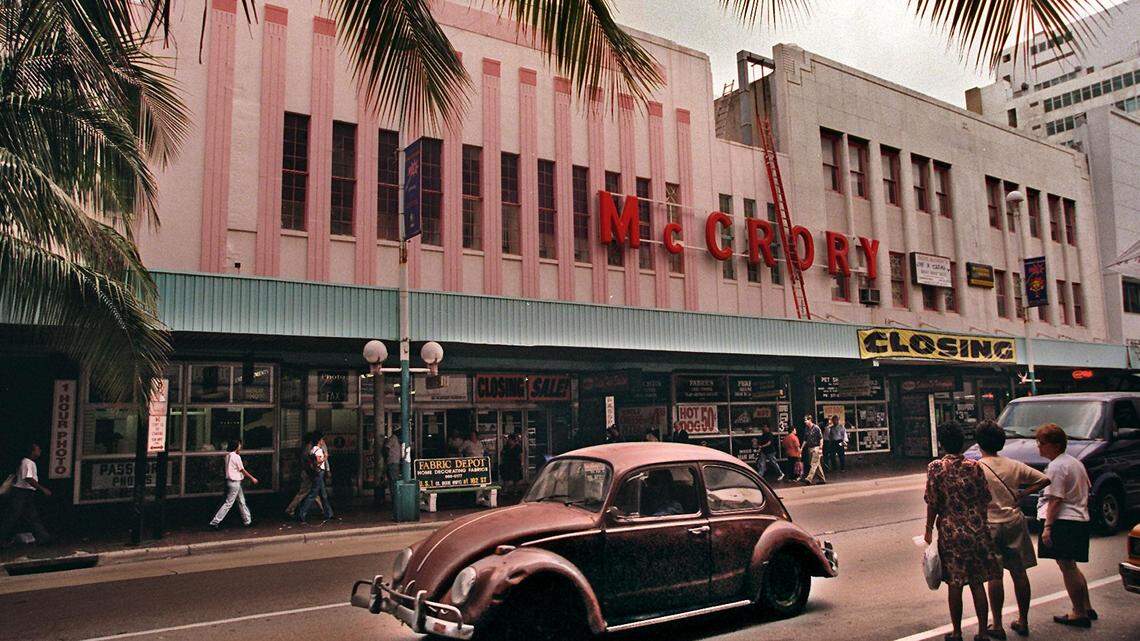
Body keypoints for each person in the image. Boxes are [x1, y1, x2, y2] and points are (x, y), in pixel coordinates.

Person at [924, 421, 1002, 641]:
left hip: (951, 531)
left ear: (942, 444)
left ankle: (957, 632)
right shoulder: (974, 466)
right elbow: (985, 497)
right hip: (976, 528)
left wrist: (929, 529)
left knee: (955, 583)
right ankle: (983, 632)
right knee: (977, 582)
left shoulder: (936, 468)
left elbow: (932, 502)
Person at [974, 420, 1050, 639]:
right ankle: (1023, 620)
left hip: (989, 524)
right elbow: (1044, 479)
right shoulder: (1013, 465)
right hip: (1014, 521)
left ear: (979, 443)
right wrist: (1023, 494)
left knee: (994, 576)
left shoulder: (977, 468)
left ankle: (997, 624)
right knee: (1019, 573)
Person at [1035, 423, 1096, 629]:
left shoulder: (1057, 466)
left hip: (1064, 521)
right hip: (1078, 518)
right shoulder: (1074, 462)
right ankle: (1086, 606)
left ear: (1055, 444)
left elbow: (1055, 499)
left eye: (1042, 443)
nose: (1039, 447)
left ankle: (1078, 612)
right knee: (1071, 565)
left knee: (1067, 566)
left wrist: (1048, 527)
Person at [0, 443, 52, 547]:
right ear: (32, 451)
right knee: (12, 517)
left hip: (25, 493)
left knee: (30, 516)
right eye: (38, 449)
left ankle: (44, 537)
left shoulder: (27, 462)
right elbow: (28, 478)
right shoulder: (27, 462)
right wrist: (42, 489)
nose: (40, 451)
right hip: (21, 493)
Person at [209, 440, 258, 529]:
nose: (240, 447)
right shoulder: (236, 457)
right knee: (229, 503)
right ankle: (215, 522)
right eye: (239, 445)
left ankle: (247, 520)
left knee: (241, 501)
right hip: (235, 482)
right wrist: (252, 478)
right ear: (236, 446)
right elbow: (242, 470)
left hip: (232, 482)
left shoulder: (227, 456)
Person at [297, 432, 334, 524]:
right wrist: (325, 458)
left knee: (323, 494)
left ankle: (329, 513)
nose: (322, 441)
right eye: (321, 440)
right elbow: (318, 462)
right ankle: (302, 514)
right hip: (319, 473)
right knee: (313, 494)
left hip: (317, 473)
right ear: (318, 441)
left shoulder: (312, 449)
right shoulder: (318, 450)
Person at [286, 432, 324, 517]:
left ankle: (322, 509)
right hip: (308, 472)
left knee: (312, 491)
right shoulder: (309, 449)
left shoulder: (306, 448)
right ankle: (290, 509)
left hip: (306, 472)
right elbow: (309, 462)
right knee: (305, 492)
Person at [801, 416, 826, 485]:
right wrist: (801, 448)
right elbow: (805, 440)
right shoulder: (806, 429)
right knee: (817, 464)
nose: (805, 422)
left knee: (813, 464)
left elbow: (821, 438)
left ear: (810, 420)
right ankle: (822, 479)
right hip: (810, 448)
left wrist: (821, 448)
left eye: (806, 420)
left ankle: (809, 479)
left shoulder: (816, 428)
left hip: (816, 448)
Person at [383, 427, 403, 507]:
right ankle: (395, 500)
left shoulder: (396, 439)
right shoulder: (393, 438)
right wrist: (387, 457)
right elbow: (386, 448)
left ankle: (395, 499)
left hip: (394, 462)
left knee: (394, 481)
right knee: (394, 481)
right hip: (392, 462)